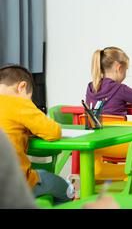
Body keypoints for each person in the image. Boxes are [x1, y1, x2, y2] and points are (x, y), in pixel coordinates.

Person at [0, 65, 72, 204]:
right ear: (22, 87)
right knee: (65, 189)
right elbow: (53, 132)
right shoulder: (19, 103)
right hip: (13, 185)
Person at [86, 47, 132, 117]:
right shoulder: (120, 89)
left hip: (94, 128)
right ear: (119, 68)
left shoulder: (91, 87)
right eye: (126, 69)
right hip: (116, 128)